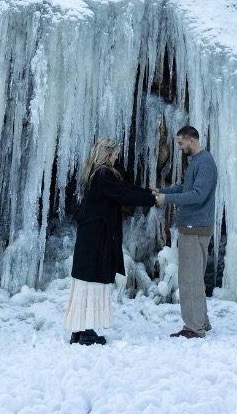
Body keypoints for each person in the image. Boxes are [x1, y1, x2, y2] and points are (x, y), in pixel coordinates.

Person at [63, 137, 160, 345]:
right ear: (108, 154)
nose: (117, 157)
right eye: (115, 153)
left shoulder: (95, 174)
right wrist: (151, 199)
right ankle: (87, 331)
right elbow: (124, 194)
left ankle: (78, 329)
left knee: (84, 280)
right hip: (98, 236)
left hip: (90, 235)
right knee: (94, 279)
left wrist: (147, 193)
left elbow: (124, 189)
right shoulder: (104, 174)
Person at [158, 125, 217, 339]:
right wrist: (162, 192)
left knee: (188, 279)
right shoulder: (197, 162)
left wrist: (168, 200)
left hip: (195, 228)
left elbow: (197, 195)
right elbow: (185, 188)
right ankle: (201, 321)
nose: (180, 148)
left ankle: (194, 327)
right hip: (193, 227)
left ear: (191, 140)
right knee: (194, 278)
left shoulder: (206, 163)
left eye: (181, 143)